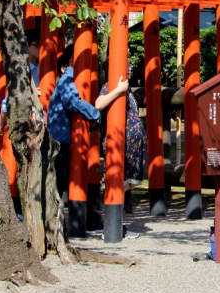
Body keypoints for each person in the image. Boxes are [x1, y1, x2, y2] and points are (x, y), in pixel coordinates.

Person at [47, 45, 103, 231]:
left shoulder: (70, 81)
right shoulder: (67, 81)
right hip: (61, 142)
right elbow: (72, 102)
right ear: (71, 62)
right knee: (61, 183)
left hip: (65, 141)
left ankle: (84, 220)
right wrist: (94, 113)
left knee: (66, 182)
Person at [95, 61, 146, 215]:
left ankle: (119, 224)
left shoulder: (128, 89)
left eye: (130, 65)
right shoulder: (109, 86)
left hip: (131, 146)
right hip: (119, 143)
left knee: (124, 185)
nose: (130, 68)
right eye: (126, 65)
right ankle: (112, 226)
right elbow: (99, 104)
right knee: (116, 183)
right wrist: (118, 90)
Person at [0, 30, 41, 133]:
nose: (40, 48)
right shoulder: (22, 70)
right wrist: (0, 125)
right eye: (37, 45)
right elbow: (9, 100)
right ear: (27, 46)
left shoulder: (45, 67)